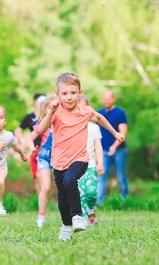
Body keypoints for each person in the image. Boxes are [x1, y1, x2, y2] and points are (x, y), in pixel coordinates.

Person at [37, 73, 124, 241]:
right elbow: (41, 129)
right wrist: (50, 112)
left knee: (70, 179)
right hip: (58, 161)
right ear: (58, 94)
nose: (69, 97)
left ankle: (78, 216)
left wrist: (115, 133)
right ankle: (66, 226)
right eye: (64, 94)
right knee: (62, 198)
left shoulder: (85, 111)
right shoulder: (56, 112)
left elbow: (99, 119)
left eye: (73, 93)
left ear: (79, 92)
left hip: (80, 159)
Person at [28, 95, 58, 228]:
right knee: (45, 187)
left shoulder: (63, 123)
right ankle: (41, 217)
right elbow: (30, 138)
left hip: (60, 157)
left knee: (65, 186)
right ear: (45, 110)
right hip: (44, 157)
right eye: (50, 107)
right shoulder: (43, 124)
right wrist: (31, 148)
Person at [97, 90, 129, 205]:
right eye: (104, 98)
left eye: (108, 98)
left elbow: (123, 132)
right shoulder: (99, 113)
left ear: (113, 99)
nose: (106, 100)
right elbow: (97, 133)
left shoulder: (120, 113)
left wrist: (114, 147)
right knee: (101, 177)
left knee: (121, 176)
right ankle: (98, 204)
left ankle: (125, 201)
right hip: (104, 150)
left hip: (119, 150)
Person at [78, 95, 105, 226]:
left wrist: (100, 163)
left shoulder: (93, 127)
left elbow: (98, 147)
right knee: (80, 194)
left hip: (91, 165)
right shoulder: (71, 128)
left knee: (91, 192)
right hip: (76, 166)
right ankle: (83, 219)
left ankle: (90, 208)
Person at [15, 93, 46, 192]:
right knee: (36, 176)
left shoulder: (48, 116)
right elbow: (18, 130)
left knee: (45, 177)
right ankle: (41, 200)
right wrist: (24, 141)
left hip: (48, 149)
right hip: (34, 149)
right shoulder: (29, 117)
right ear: (35, 103)